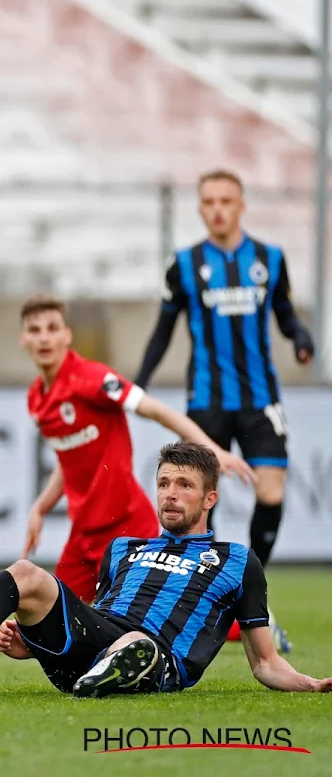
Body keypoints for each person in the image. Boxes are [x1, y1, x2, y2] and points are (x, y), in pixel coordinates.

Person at [0, 442, 332, 699]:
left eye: (184, 486)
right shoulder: (123, 548)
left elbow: (265, 662)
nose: (170, 494)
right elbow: (95, 615)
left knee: (138, 644)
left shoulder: (237, 560)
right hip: (101, 638)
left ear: (209, 499)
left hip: (160, 658)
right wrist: (35, 647)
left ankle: (114, 671)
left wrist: (311, 684)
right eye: (164, 484)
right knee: (25, 574)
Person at [135, 169, 312, 648]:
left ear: (240, 205)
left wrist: (301, 338)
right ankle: (185, 590)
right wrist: (141, 382)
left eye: (225, 201)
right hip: (206, 402)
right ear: (200, 207)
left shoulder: (268, 260)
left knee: (270, 493)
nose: (217, 209)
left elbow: (286, 314)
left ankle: (250, 589)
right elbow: (163, 329)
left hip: (260, 400)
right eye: (209, 201)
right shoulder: (186, 264)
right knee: (190, 497)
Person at [18, 294, 253, 604]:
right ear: (23, 339)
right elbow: (69, 459)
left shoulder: (93, 379)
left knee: (157, 611)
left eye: (52, 328)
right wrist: (40, 508)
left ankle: (247, 621)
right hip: (82, 532)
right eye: (35, 330)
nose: (44, 337)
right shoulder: (37, 399)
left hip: (126, 525)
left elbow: (156, 410)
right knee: (53, 615)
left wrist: (212, 449)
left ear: (67, 335)